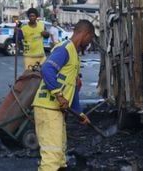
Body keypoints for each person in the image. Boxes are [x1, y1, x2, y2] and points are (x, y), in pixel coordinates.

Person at [32, 19, 95, 171]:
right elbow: (47, 69)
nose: (89, 43)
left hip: (55, 112)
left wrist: (80, 113)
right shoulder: (65, 49)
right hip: (48, 109)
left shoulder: (74, 55)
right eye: (90, 39)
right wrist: (59, 95)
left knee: (59, 158)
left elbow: (72, 88)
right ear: (85, 34)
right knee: (51, 159)